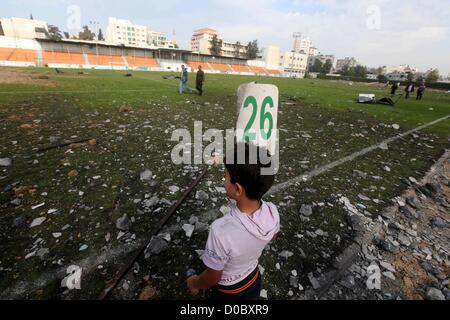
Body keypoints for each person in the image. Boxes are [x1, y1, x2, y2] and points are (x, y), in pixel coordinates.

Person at [187, 142, 280, 300]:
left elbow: (213, 277)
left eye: (225, 176)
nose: (224, 179)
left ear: (237, 189)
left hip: (229, 291)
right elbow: (273, 235)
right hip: (253, 280)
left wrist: (195, 283)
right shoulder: (272, 212)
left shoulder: (220, 230)